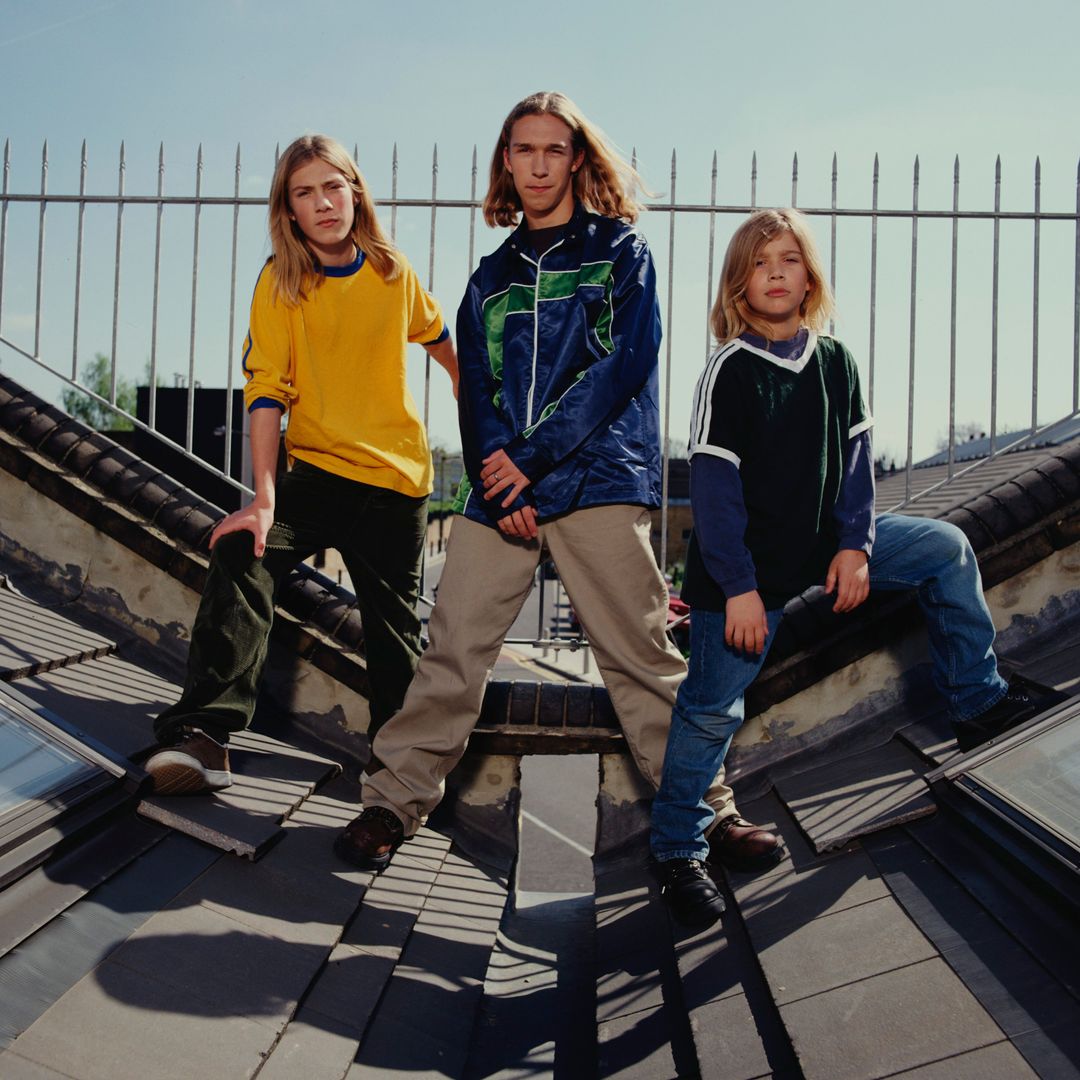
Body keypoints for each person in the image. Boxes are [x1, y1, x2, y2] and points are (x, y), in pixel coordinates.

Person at [334, 91, 782, 873]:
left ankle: (708, 814)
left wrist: (532, 464)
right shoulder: (489, 278)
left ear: (576, 158)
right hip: (503, 491)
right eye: (524, 150)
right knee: (451, 649)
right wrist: (503, 486)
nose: (539, 165)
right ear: (506, 162)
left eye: (553, 149)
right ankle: (391, 803)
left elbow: (620, 368)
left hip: (599, 479)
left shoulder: (621, 253)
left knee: (642, 657)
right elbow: (476, 390)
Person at [648, 207, 1055, 928]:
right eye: (760, 262)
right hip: (740, 571)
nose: (776, 272)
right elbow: (713, 492)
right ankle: (676, 849)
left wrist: (856, 546)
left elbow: (859, 468)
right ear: (738, 284)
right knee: (713, 709)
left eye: (790, 259)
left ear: (810, 277)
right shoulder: (730, 371)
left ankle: (977, 700)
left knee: (944, 549)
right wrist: (740, 589)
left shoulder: (836, 361)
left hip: (821, 543)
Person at [145, 134, 458, 794]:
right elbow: (265, 390)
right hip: (314, 476)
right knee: (244, 553)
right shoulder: (281, 282)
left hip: (395, 486)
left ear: (355, 192)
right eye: (305, 192)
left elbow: (439, 337)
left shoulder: (391, 272)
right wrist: (262, 498)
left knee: (396, 637)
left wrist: (470, 390)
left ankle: (402, 775)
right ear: (288, 210)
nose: (323, 202)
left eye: (333, 186)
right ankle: (206, 735)